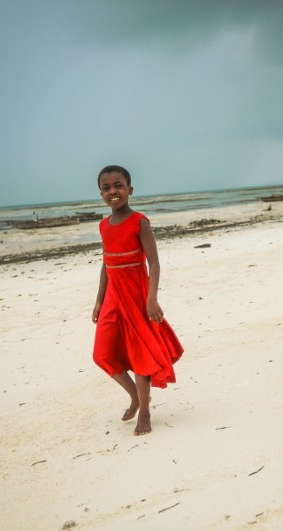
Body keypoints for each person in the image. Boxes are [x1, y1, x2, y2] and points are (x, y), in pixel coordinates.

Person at [92, 165, 184, 435]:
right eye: (107, 188)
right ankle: (135, 396)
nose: (113, 192)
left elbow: (154, 263)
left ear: (129, 190)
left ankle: (144, 411)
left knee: (140, 352)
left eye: (118, 186)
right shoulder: (103, 225)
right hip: (112, 298)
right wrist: (99, 301)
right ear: (101, 194)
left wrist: (152, 298)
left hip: (137, 296)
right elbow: (106, 264)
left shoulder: (139, 221)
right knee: (103, 354)